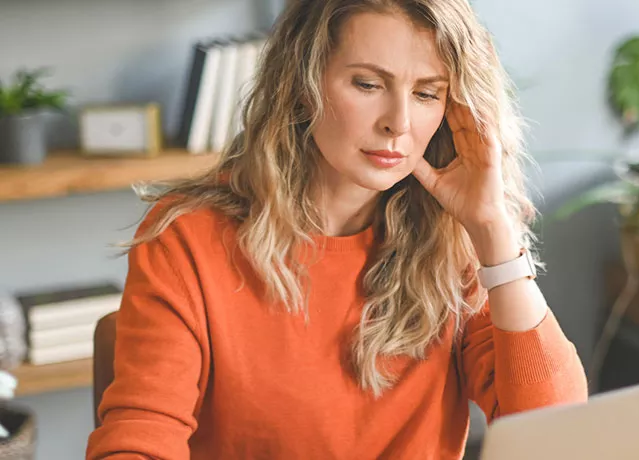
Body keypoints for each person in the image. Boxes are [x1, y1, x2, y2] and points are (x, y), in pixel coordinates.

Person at [86, 0, 588, 458]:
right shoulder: (189, 239)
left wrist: (493, 231)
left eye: (426, 93)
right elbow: (140, 437)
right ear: (302, 88)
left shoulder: (455, 243)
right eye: (368, 84)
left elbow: (556, 433)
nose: (398, 122)